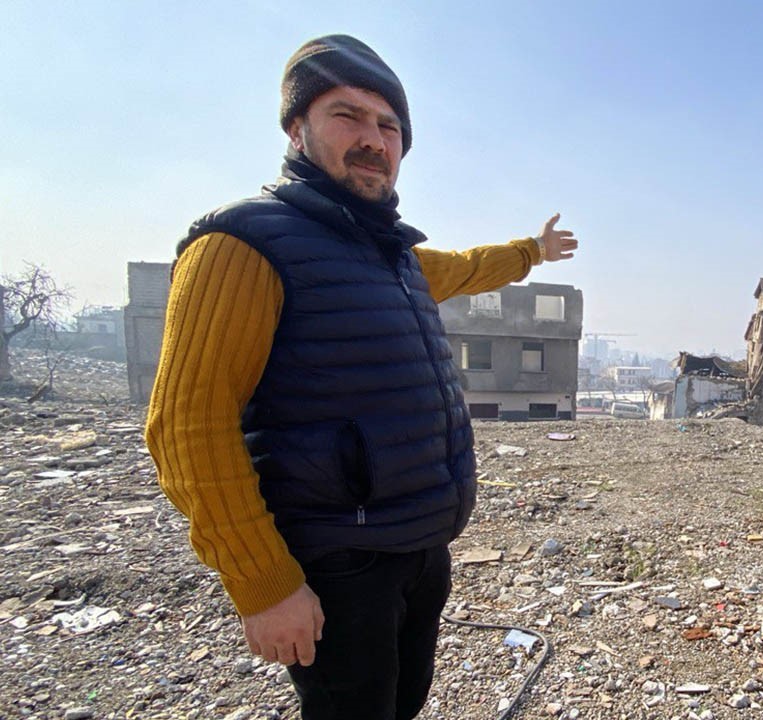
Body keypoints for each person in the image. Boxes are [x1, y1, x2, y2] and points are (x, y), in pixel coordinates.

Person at [145, 34, 578, 720]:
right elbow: (186, 428)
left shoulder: (393, 257)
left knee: (399, 705)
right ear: (297, 129)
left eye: (389, 126)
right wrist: (263, 585)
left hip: (417, 545)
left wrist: (531, 251)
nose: (373, 139)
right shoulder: (241, 244)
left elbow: (465, 267)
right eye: (347, 116)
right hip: (337, 560)